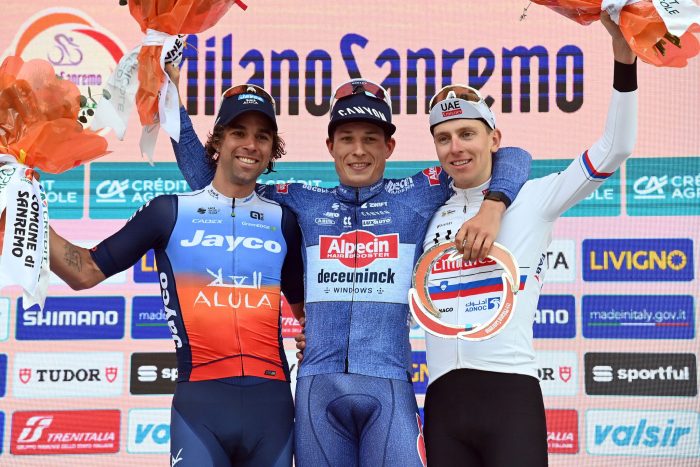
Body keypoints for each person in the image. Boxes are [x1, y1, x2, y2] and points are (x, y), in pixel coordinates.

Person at [170, 66, 532, 465]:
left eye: (370, 139)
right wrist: (170, 97)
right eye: (346, 139)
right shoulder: (302, 201)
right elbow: (212, 179)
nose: (358, 150)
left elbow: (512, 156)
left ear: (389, 146)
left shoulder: (419, 193)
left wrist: (494, 205)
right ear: (330, 146)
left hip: (389, 385)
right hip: (318, 390)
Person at [420, 14, 637, 467]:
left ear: (493, 138)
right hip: (441, 401)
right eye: (444, 138)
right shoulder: (428, 210)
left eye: (467, 134)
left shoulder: (535, 197)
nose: (455, 147)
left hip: (510, 396)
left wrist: (624, 60)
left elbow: (614, 148)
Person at [50, 84, 304, 467]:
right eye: (239, 132)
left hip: (272, 408)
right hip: (201, 408)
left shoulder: (284, 221)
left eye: (262, 136)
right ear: (217, 141)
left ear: (272, 150)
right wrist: (21, 213)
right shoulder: (168, 212)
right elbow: (83, 272)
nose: (251, 145)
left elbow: (310, 314)